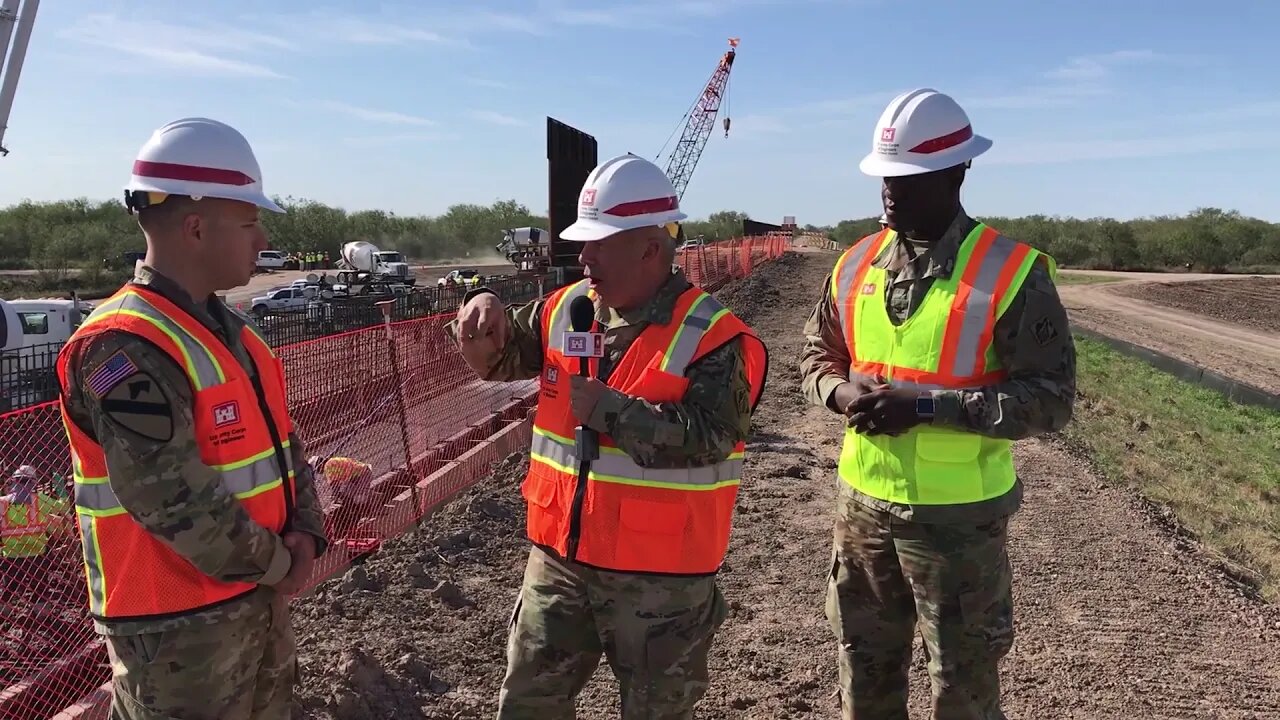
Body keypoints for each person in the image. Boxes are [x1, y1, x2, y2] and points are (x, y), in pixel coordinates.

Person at [448, 154, 769, 719]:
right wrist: (483, 322)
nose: (584, 255)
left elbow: (714, 437)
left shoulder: (713, 338)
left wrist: (613, 413)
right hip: (560, 562)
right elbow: (504, 351)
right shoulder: (569, 309)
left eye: (600, 242)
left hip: (661, 584)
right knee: (529, 706)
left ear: (650, 248)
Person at [799, 88, 1076, 720]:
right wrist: (840, 392)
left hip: (958, 525)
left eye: (909, 176)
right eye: (885, 175)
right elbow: (816, 355)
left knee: (962, 686)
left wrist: (927, 408)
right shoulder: (852, 264)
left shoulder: (1012, 272)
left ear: (958, 171)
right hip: (862, 512)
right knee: (864, 673)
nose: (890, 190)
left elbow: (1051, 401)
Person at [54, 117, 328, 720]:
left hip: (254, 601)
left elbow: (288, 449)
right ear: (197, 227)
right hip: (177, 633)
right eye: (251, 222)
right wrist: (284, 563)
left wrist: (305, 530)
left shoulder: (233, 335)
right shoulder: (123, 348)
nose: (262, 242)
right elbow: (173, 501)